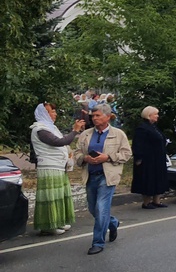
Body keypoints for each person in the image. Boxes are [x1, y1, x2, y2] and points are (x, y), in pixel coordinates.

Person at [74, 103, 132, 255]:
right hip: (90, 176)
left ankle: (98, 242)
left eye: (97, 115)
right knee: (94, 209)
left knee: (101, 208)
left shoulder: (118, 134)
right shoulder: (85, 134)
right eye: (92, 116)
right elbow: (77, 153)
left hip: (107, 177)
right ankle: (113, 223)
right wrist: (85, 158)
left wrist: (108, 157)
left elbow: (126, 154)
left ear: (107, 117)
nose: (94, 118)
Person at [30, 103, 84, 235]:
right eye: (52, 111)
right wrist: (75, 130)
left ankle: (58, 221)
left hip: (58, 166)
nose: (55, 114)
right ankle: (48, 225)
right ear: (44, 114)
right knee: (50, 197)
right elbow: (59, 142)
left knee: (59, 195)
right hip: (49, 167)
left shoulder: (50, 127)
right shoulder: (39, 129)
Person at [131, 106, 170, 209]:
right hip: (148, 159)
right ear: (149, 115)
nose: (158, 116)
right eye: (155, 114)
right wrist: (138, 158)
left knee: (158, 178)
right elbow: (138, 144)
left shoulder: (154, 127)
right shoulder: (142, 128)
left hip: (158, 159)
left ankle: (157, 200)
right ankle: (146, 202)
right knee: (148, 179)